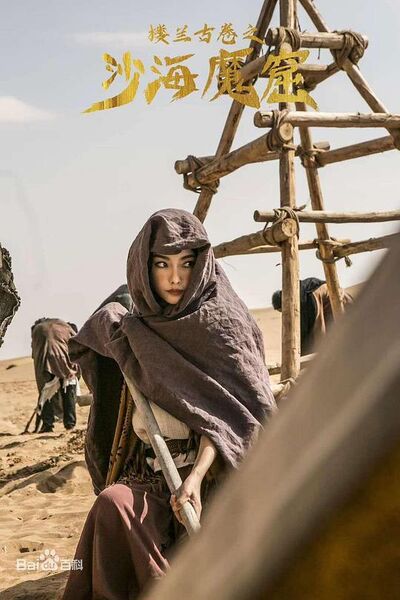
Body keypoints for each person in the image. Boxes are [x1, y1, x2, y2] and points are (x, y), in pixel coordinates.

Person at [62, 208, 276, 599]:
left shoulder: (223, 325)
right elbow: (94, 333)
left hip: (216, 475)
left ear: (201, 264)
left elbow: (232, 419)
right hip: (151, 475)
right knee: (112, 504)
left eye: (186, 264)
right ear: (144, 268)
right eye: (162, 264)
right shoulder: (137, 330)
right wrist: (117, 330)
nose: (175, 278)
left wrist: (195, 478)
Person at [272, 277, 353, 355]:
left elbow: (308, 330)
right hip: (328, 295)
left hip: (315, 296)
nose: (284, 313)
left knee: (318, 335)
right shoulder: (294, 291)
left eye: (282, 310)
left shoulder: (298, 299)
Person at [31, 318, 80, 433]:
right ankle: (70, 424)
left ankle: (47, 425)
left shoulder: (38, 329)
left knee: (46, 394)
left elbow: (34, 353)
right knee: (68, 392)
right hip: (66, 362)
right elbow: (77, 343)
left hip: (46, 363)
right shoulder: (64, 326)